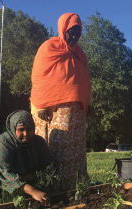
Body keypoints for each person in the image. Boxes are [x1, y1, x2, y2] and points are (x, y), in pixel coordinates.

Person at [30, 13, 92, 189]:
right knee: (58, 144)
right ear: (62, 29)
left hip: (77, 108)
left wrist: (90, 102)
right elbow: (39, 76)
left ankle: (76, 183)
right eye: (70, 32)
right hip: (53, 108)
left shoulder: (81, 53)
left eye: (77, 33)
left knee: (76, 147)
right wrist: (41, 104)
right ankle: (53, 185)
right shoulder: (49, 47)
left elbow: (86, 80)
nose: (73, 36)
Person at [0, 110, 52, 206]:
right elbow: (6, 176)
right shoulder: (2, 144)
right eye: (21, 129)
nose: (26, 134)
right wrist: (33, 191)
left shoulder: (38, 142)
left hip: (23, 179)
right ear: (13, 129)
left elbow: (49, 167)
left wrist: (30, 177)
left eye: (29, 129)